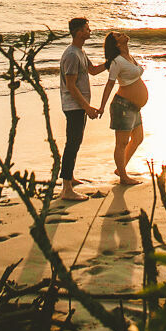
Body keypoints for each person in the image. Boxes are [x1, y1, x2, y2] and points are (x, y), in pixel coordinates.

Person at [59, 17, 106, 201]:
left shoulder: (80, 51)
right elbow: (70, 85)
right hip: (73, 106)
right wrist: (86, 107)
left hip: (79, 106)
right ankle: (66, 189)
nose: (90, 31)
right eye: (87, 29)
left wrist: (110, 62)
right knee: (72, 143)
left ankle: (69, 178)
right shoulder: (71, 54)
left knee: (76, 142)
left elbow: (93, 70)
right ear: (79, 32)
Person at [98, 32, 148, 185]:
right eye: (119, 35)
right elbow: (110, 84)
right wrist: (101, 107)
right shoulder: (116, 62)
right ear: (116, 44)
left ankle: (121, 169)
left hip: (134, 107)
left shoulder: (129, 57)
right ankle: (123, 177)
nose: (123, 34)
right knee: (122, 143)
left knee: (138, 138)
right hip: (123, 106)